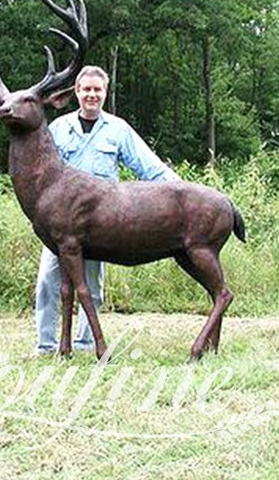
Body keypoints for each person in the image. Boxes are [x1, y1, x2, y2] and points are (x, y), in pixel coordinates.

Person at [34, 65, 180, 355]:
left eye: (97, 89)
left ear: (105, 92)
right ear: (76, 92)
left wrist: (184, 193)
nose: (92, 95)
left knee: (91, 285)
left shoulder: (118, 129)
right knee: (48, 282)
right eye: (86, 89)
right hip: (61, 222)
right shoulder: (58, 129)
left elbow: (149, 166)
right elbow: (41, 173)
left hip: (99, 222)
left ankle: (86, 342)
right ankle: (46, 345)